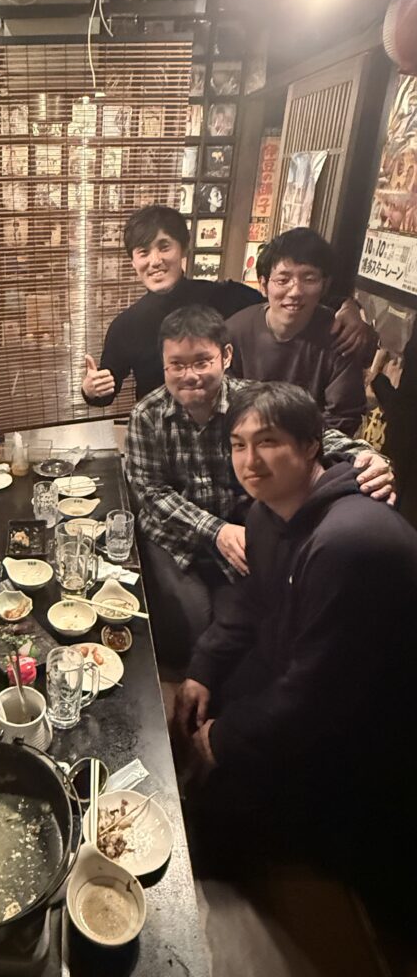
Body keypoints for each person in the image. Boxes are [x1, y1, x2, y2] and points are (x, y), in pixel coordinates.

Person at [173, 383, 417, 921]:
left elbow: (319, 696)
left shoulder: (350, 541)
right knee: (196, 710)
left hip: (368, 737)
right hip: (307, 677)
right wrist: (203, 670)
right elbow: (250, 603)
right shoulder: (267, 513)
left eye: (268, 442)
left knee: (206, 831)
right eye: (238, 445)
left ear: (311, 446)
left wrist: (226, 738)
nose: (249, 461)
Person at [124, 305, 393, 665]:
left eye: (202, 362)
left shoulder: (251, 400)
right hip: (176, 537)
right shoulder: (147, 414)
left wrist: (367, 455)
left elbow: (312, 434)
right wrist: (216, 531)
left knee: (261, 620)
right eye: (177, 365)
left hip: (245, 532)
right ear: (164, 364)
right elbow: (151, 492)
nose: (189, 376)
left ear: (226, 356)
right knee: (192, 622)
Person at [82, 204, 374, 407]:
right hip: (159, 432)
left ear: (183, 248)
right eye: (143, 252)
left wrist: (347, 306)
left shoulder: (224, 296)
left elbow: (285, 299)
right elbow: (106, 389)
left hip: (225, 430)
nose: (155, 260)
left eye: (164, 247)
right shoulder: (126, 325)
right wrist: (91, 389)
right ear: (133, 261)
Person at [227, 228, 368, 436]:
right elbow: (223, 404)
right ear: (264, 285)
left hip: (312, 448)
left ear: (325, 285)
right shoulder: (235, 332)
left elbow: (343, 418)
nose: (295, 292)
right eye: (283, 280)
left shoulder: (340, 336)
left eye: (309, 279)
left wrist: (298, 449)